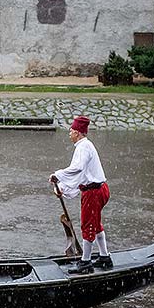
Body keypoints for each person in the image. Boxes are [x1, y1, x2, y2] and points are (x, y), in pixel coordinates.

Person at [49, 116, 112, 275]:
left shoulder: (83, 147)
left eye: (71, 131)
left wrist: (58, 176)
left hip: (94, 192)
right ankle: (104, 257)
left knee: (88, 225)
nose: (69, 134)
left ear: (77, 132)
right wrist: (63, 188)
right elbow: (82, 175)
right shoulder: (85, 145)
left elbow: (77, 169)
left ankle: (85, 262)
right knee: (96, 224)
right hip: (100, 189)